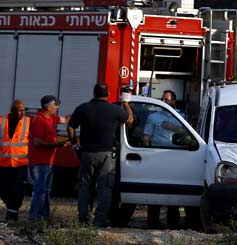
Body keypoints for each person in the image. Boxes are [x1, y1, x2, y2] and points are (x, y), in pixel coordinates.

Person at [67, 83, 133, 227]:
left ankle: (83, 220)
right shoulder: (114, 110)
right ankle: (100, 220)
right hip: (107, 154)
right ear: (108, 93)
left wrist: (75, 145)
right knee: (105, 188)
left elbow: (71, 126)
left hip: (87, 153)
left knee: (85, 186)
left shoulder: (83, 108)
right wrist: (126, 101)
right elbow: (130, 120)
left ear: (93, 93)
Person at [144, 89, 186, 229]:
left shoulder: (182, 116)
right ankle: (153, 221)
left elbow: (188, 134)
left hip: (177, 156)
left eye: (166, 99)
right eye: (162, 99)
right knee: (155, 188)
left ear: (173, 101)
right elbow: (146, 137)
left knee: (173, 189)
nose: (163, 102)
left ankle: (173, 222)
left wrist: (172, 127)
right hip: (156, 155)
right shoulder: (153, 116)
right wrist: (146, 154)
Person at [28, 95, 70, 222]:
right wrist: (57, 144)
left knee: (45, 190)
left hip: (48, 161)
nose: (57, 107)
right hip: (40, 162)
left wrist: (81, 111)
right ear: (48, 106)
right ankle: (34, 217)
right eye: (55, 104)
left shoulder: (51, 118)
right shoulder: (39, 121)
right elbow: (37, 142)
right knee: (40, 190)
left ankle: (44, 217)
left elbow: (64, 120)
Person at [0, 100, 30, 221]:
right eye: (20, 110)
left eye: (24, 110)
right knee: (2, 189)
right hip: (3, 163)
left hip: (20, 163)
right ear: (12, 110)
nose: (23, 113)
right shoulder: (2, 121)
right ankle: (10, 210)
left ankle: (12, 216)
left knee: (17, 190)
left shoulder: (28, 122)